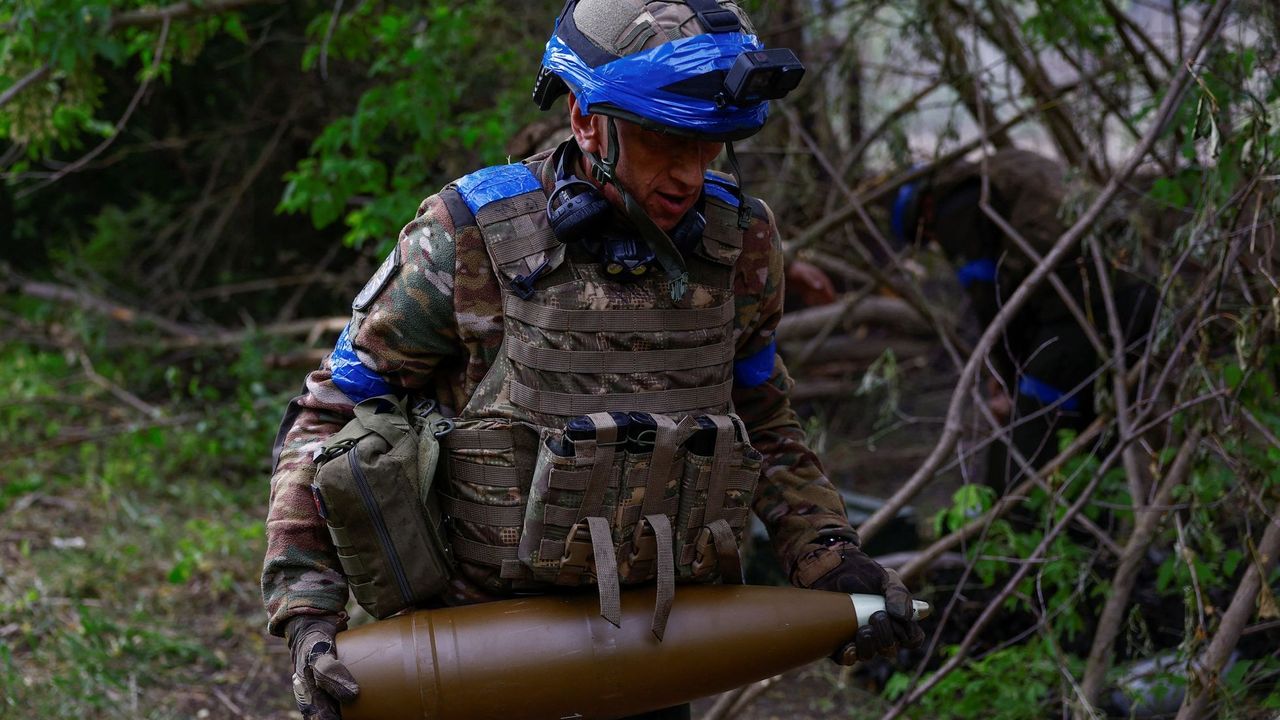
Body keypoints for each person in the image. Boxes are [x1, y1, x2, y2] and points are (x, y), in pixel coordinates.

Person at [263, 2, 924, 718]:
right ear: (585, 118)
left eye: (707, 147)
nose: (688, 176)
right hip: (476, 651)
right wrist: (308, 612)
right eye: (662, 141)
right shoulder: (468, 238)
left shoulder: (743, 244)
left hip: (650, 647)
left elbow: (762, 417)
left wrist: (826, 554)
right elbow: (327, 415)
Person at [891, 149, 1159, 487]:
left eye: (927, 237)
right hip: (1136, 290)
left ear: (925, 210)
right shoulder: (1001, 170)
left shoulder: (956, 206)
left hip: (1093, 302)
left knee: (1037, 417)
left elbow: (989, 299)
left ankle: (1018, 525)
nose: (936, 243)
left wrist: (1008, 379)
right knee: (1093, 421)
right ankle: (1087, 528)